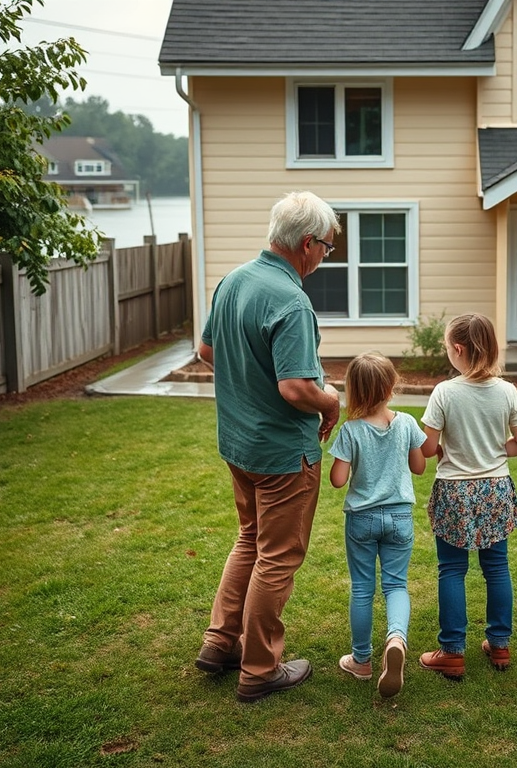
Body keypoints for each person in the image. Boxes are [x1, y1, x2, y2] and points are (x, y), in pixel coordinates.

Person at [194, 190, 342, 702]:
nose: (326, 256)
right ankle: (259, 670)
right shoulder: (290, 299)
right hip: (283, 454)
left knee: (249, 540)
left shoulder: (233, 281)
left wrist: (245, 387)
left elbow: (206, 348)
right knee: (277, 558)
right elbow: (296, 388)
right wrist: (330, 403)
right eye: (326, 246)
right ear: (306, 244)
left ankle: (219, 643)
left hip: (239, 444)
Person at [417, 313, 517, 680]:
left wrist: (442, 450)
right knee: (496, 568)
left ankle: (451, 652)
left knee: (452, 569)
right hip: (495, 488)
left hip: (454, 489)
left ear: (458, 348)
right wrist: (497, 453)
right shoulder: (507, 391)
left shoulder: (445, 392)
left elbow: (427, 448)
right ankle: (499, 643)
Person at [328, 352, 427, 698]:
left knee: (362, 589)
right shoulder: (407, 424)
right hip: (400, 517)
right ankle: (396, 638)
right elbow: (419, 467)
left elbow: (338, 480)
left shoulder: (351, 431)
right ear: (391, 386)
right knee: (396, 585)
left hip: (363, 519)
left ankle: (361, 661)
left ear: (353, 391)